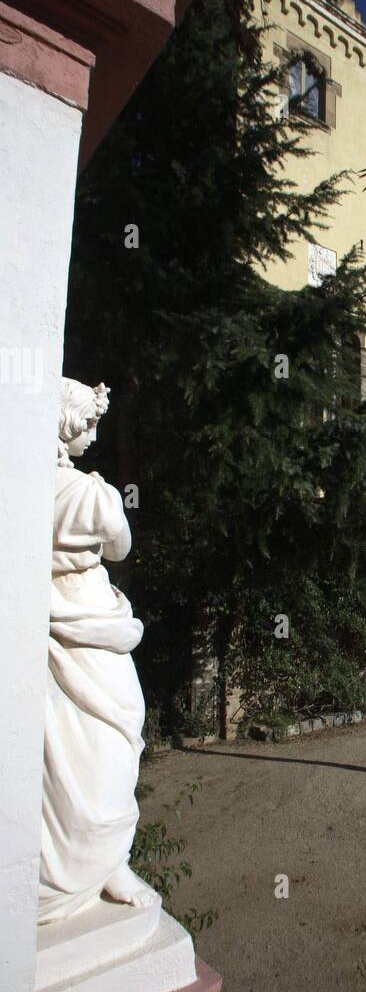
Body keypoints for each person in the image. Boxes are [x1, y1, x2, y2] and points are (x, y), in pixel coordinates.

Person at [39, 377, 159, 923]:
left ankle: (98, 859)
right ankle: (106, 860)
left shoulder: (24, 488)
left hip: (53, 621)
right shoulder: (92, 493)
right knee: (114, 731)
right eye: (90, 424)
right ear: (72, 425)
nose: (94, 434)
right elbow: (121, 546)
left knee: (69, 746)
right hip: (91, 619)